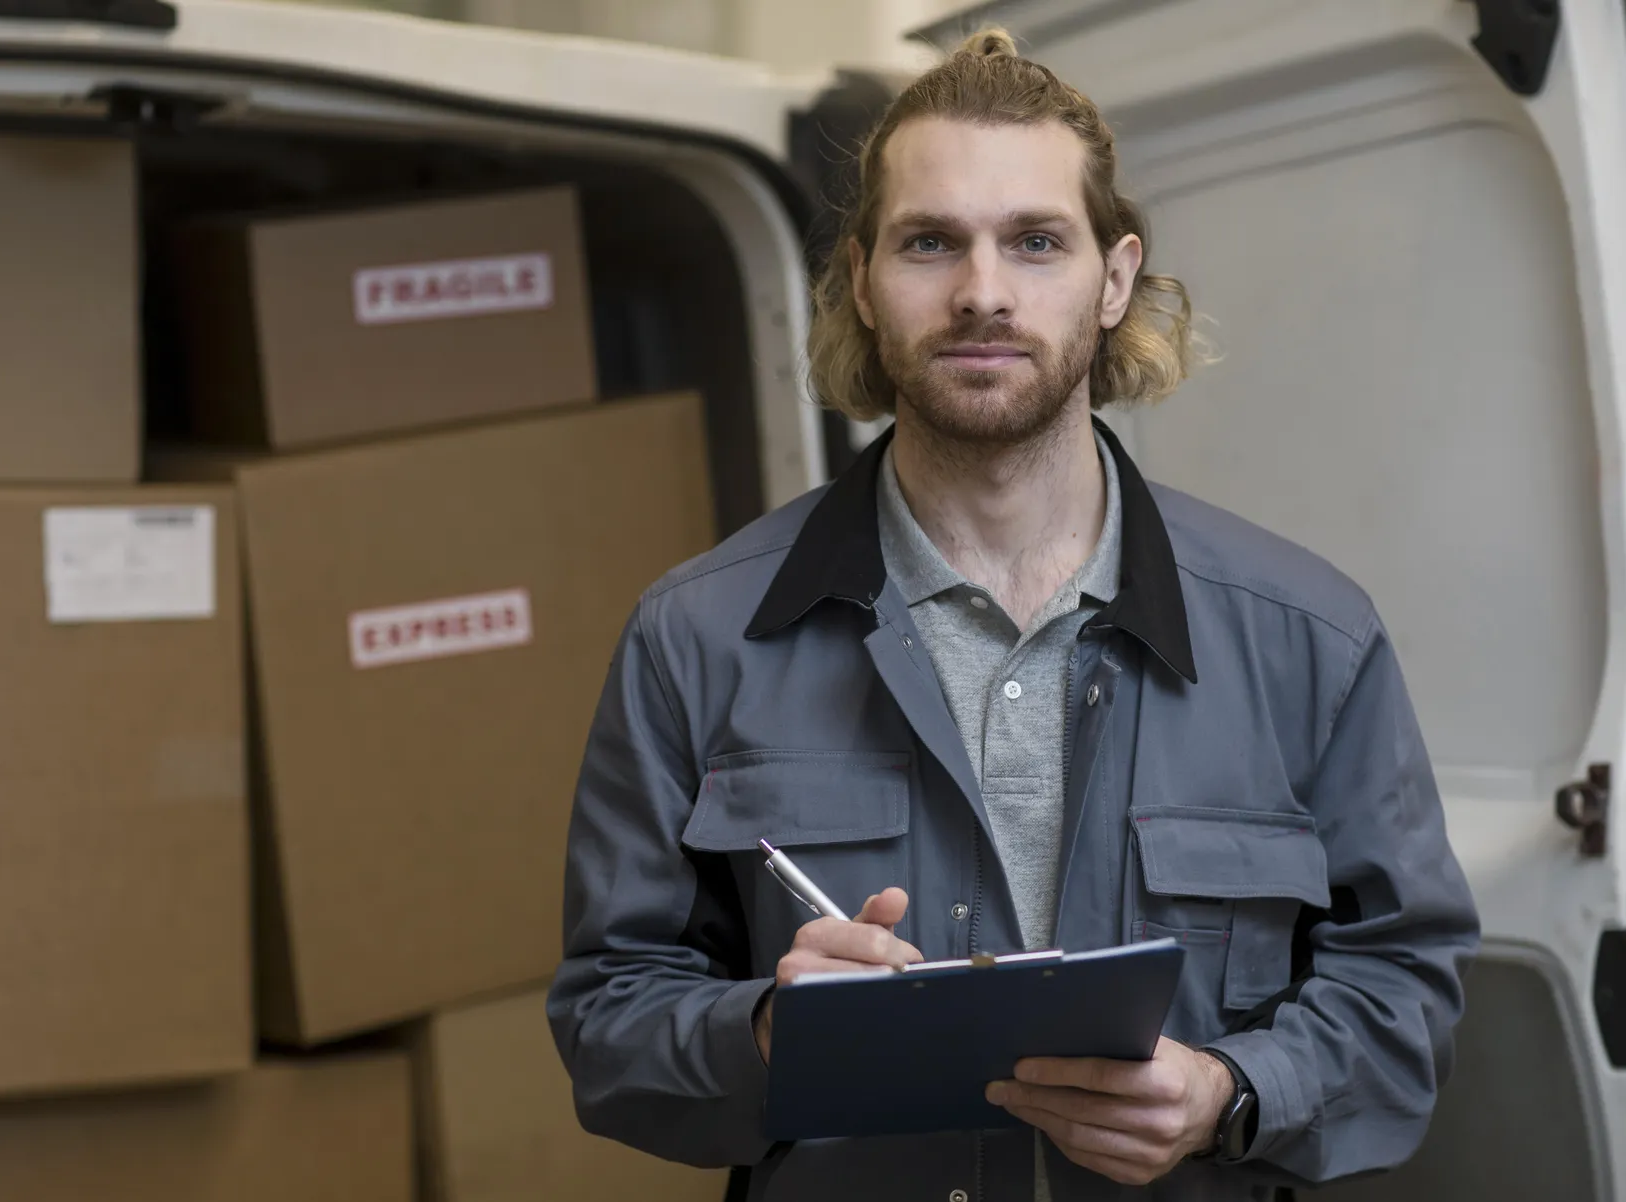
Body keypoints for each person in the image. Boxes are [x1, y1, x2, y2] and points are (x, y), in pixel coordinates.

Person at [548, 25, 1480, 1202]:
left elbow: (1404, 982)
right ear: (863, 282)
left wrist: (1233, 1091)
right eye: (930, 242)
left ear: (1116, 278)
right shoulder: (696, 637)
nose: (983, 291)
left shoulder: (1309, 638)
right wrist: (771, 1029)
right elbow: (609, 1015)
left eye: (1036, 241)